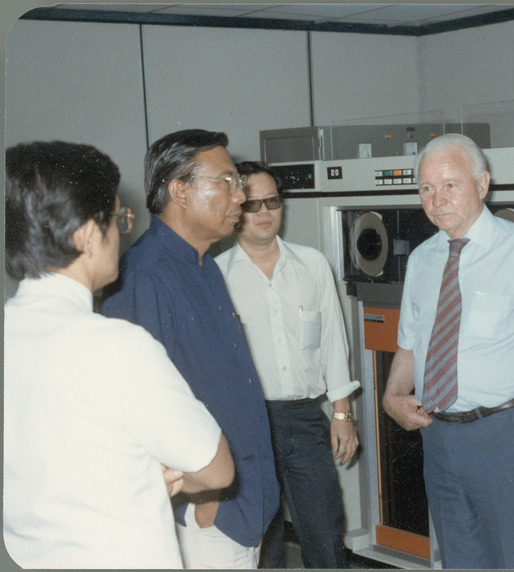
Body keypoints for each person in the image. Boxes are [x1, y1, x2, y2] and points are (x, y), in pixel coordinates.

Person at [4, 141, 235, 569]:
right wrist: (149, 471)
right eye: (118, 219)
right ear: (89, 236)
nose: (121, 233)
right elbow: (216, 469)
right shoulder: (117, 348)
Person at [381, 133, 514, 569]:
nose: (436, 199)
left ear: (482, 185)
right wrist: (391, 395)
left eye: (450, 184)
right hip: (438, 440)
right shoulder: (424, 259)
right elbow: (410, 342)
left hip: (507, 439)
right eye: (425, 187)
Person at [102, 130, 280, 569]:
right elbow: (136, 408)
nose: (240, 195)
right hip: (205, 523)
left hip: (245, 508)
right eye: (227, 182)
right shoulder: (144, 277)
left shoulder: (206, 267)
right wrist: (202, 503)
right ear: (179, 191)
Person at [215, 161, 360, 568]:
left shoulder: (312, 264)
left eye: (272, 202)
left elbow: (333, 339)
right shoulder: (217, 275)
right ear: (234, 207)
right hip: (245, 421)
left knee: (324, 531)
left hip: (303, 418)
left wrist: (342, 413)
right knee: (264, 539)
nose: (264, 213)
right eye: (252, 204)